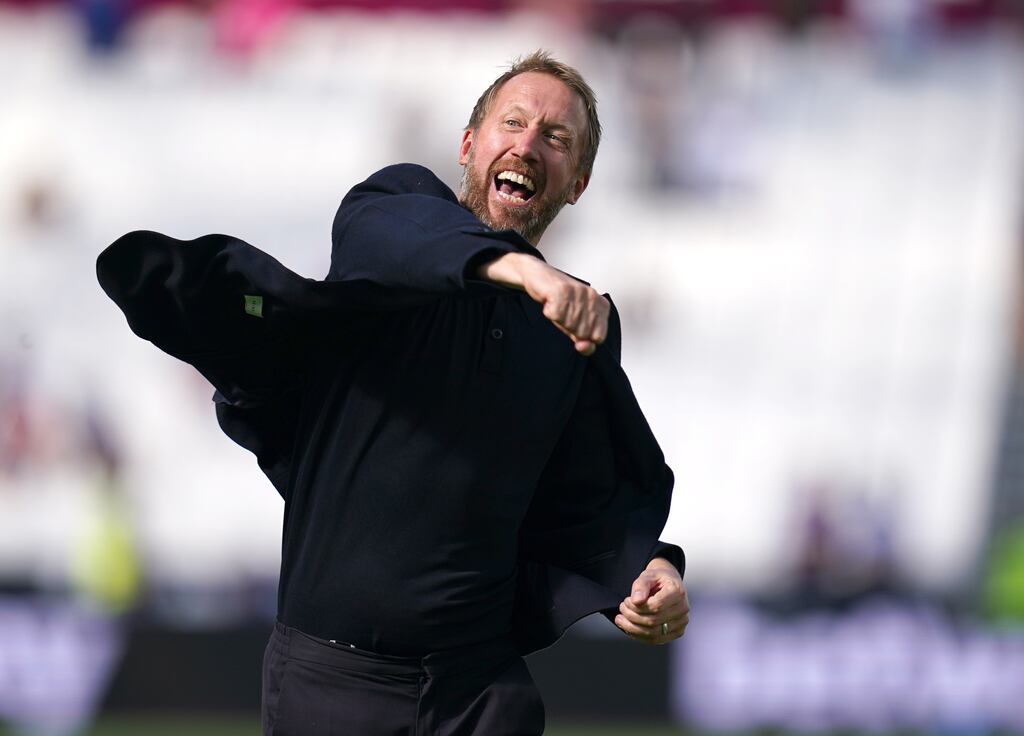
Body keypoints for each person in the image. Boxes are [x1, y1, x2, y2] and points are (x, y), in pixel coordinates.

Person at [97, 51, 689, 735]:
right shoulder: (396, 218)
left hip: (478, 694)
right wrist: (526, 272)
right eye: (513, 122)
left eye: (555, 138)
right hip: (333, 683)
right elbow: (391, 234)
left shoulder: (573, 330)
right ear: (469, 146)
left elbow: (590, 507)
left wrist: (651, 572)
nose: (527, 144)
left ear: (578, 183)